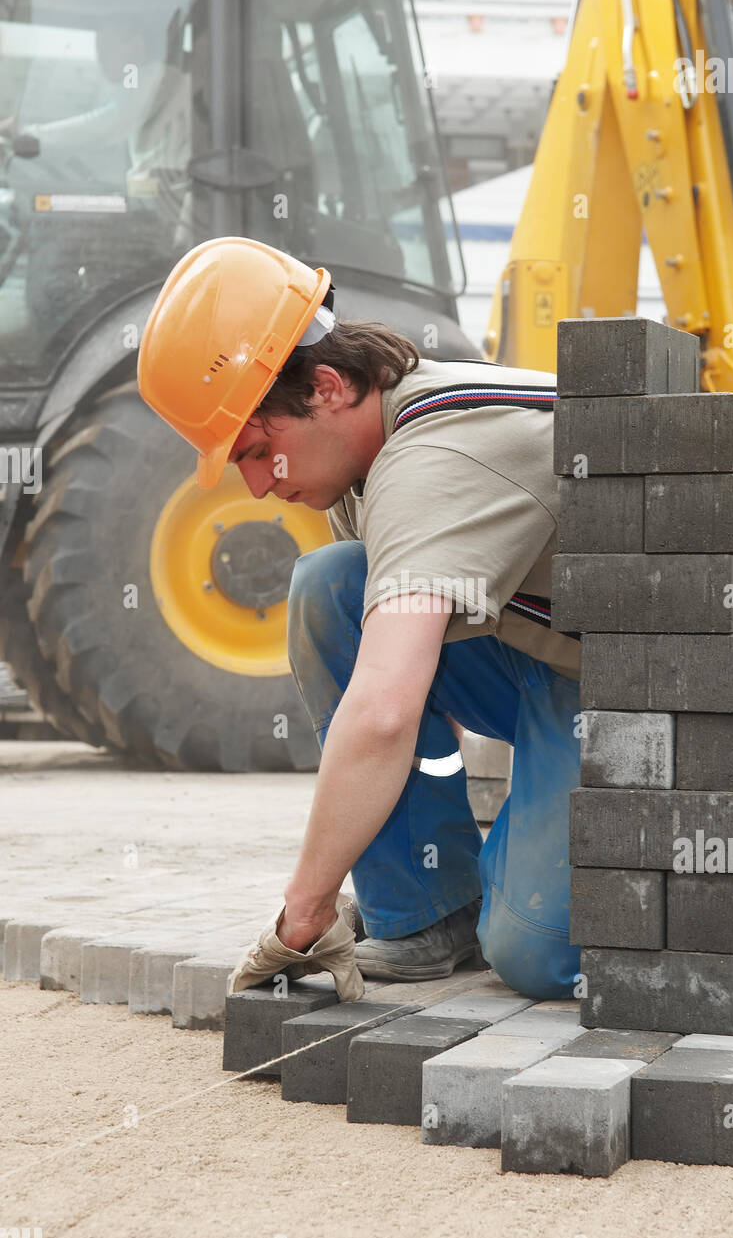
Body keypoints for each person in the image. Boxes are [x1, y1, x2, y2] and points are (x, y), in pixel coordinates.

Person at [138, 236, 583, 1001]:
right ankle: (427, 912)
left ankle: (727, 818)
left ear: (327, 387)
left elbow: (382, 713)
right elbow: (399, 690)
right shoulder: (362, 464)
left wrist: (302, 913)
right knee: (331, 585)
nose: (253, 486)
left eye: (255, 450)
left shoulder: (434, 457)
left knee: (533, 955)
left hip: (641, 688)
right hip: (544, 653)